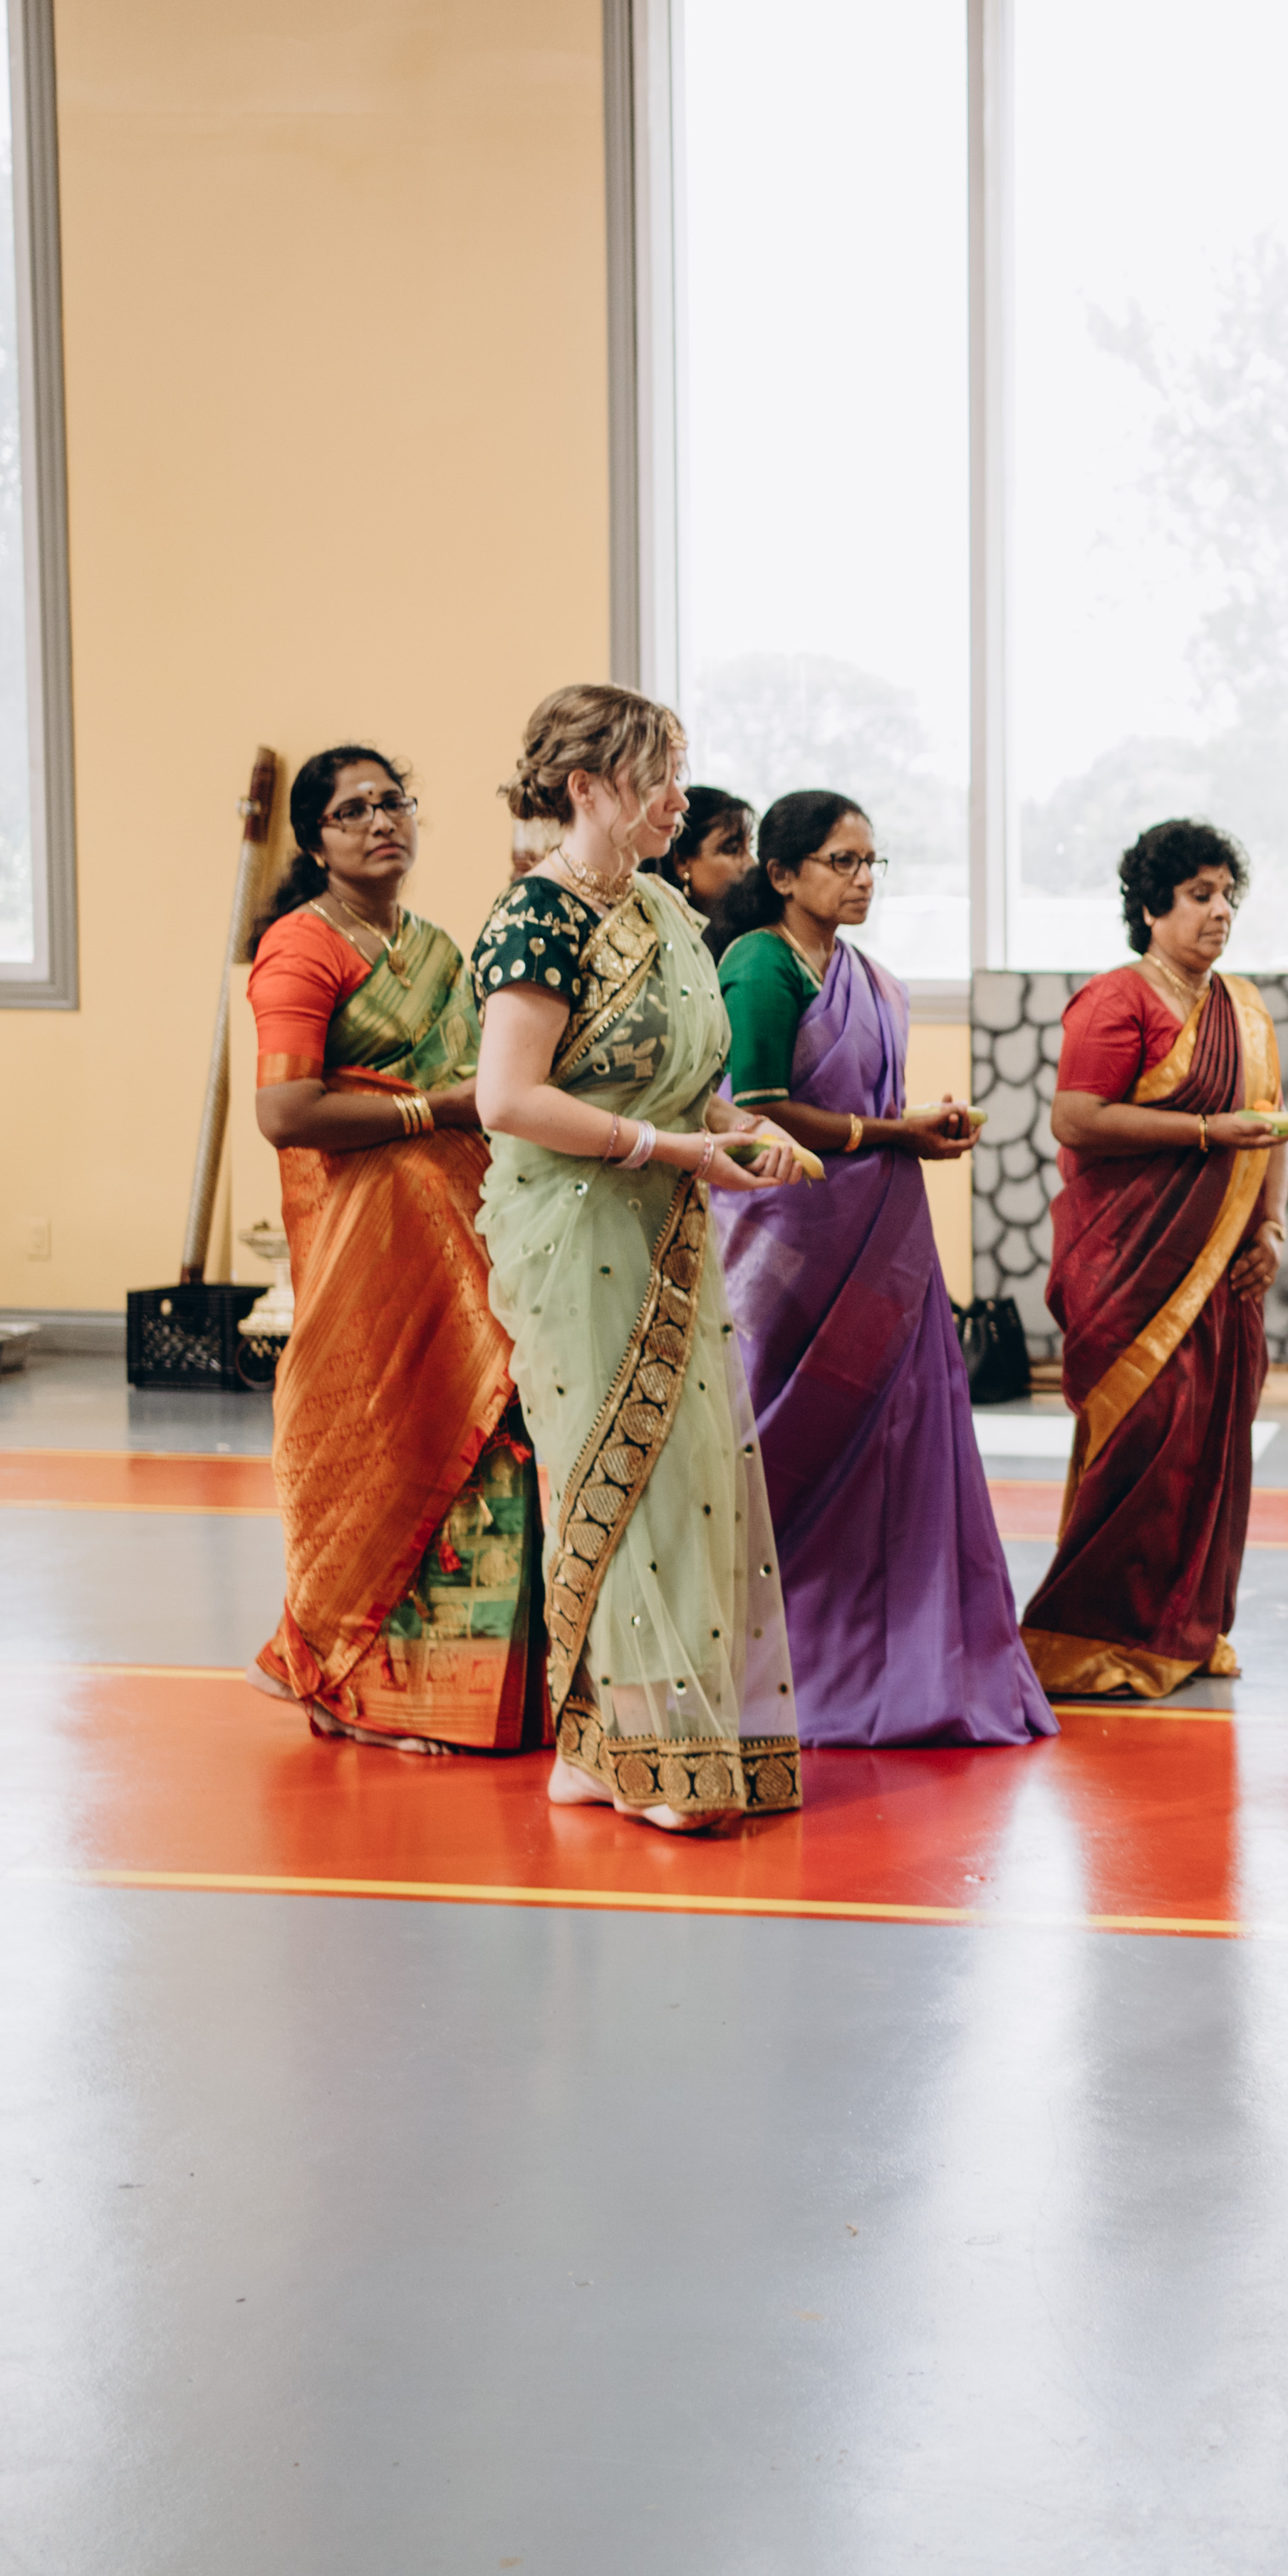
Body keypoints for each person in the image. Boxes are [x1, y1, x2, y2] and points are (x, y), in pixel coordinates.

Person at [467, 685, 815, 1833]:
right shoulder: (538, 916)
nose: (679, 797)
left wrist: (738, 1131)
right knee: (614, 1476)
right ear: (586, 787)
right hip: (575, 1232)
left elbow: (682, 1085)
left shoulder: (662, 907)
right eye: (657, 775)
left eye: (679, 769)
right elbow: (508, 1097)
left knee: (687, 1475)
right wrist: (670, 1149)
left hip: (665, 1223)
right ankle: (631, 1751)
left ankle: (613, 1748)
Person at [710, 791, 1051, 1749]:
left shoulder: (867, 976)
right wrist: (895, 1133)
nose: (863, 880)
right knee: (787, 1438)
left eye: (872, 863)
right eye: (843, 861)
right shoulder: (759, 963)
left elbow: (856, 1107)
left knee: (896, 1440)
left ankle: (900, 1658)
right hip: (788, 1233)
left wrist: (906, 1129)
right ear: (784, 873)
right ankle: (787, 1661)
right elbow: (761, 1107)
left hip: (876, 1231)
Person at [243, 744, 540, 1754]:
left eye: (395, 802)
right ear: (314, 840)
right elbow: (285, 1111)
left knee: (481, 1436)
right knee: (383, 1441)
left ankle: (453, 1694)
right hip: (367, 1242)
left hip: (460, 1226)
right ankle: (347, 1683)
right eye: (354, 809)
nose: (382, 821)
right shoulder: (300, 945)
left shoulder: (439, 949)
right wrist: (430, 1112)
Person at [1017, 820, 1288, 1700]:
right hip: (1129, 1263)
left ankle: (1184, 1628)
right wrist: (1204, 1130)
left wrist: (1270, 1230)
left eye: (1228, 895)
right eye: (1199, 895)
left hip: (1225, 1267)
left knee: (1213, 1436)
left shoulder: (1243, 1008)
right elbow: (1077, 1118)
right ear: (1150, 907)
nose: (1220, 912)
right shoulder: (1117, 1000)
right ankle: (1091, 1634)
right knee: (1145, 1434)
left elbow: (1270, 1123)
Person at [647, 784, 754, 919]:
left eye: (750, 847)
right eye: (733, 849)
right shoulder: (654, 925)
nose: (752, 864)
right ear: (682, 863)